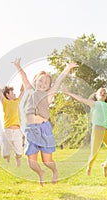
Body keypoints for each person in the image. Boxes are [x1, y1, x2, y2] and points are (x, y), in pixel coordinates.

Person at [13, 57, 78, 186]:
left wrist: (68, 68)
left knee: (47, 160)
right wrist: (18, 66)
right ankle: (41, 173)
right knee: (31, 162)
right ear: (35, 80)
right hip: (31, 130)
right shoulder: (30, 91)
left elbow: (59, 80)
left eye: (46, 82)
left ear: (49, 87)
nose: (43, 83)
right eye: (41, 80)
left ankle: (54, 171)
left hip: (43, 128)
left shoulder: (48, 95)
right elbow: (23, 76)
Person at [62, 78, 107, 177]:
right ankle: (89, 167)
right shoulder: (94, 104)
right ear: (96, 95)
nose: (103, 92)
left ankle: (105, 165)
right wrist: (68, 93)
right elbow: (80, 98)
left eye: (105, 92)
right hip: (97, 130)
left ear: (106, 96)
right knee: (94, 153)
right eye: (101, 91)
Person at [0, 66, 24, 167]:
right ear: (7, 95)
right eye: (12, 93)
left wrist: (22, 74)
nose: (15, 94)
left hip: (17, 131)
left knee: (19, 153)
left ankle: (17, 161)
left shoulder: (17, 101)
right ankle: (7, 158)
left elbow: (23, 89)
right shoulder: (5, 102)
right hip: (7, 131)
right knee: (5, 154)